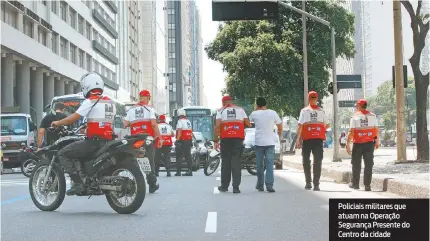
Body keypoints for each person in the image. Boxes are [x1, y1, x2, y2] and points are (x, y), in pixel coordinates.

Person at [53, 72, 116, 196]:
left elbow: (73, 118)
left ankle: (78, 184)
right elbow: (102, 120)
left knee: (63, 153)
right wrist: (87, 127)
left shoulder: (90, 101)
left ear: (86, 86)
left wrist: (58, 122)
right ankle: (90, 180)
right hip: (108, 141)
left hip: (93, 142)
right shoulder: (110, 102)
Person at [123, 90, 162, 193]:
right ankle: (152, 184)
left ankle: (133, 182)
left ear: (140, 98)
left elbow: (125, 124)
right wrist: (159, 137)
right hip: (147, 139)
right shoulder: (150, 109)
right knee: (150, 162)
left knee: (132, 161)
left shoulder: (131, 109)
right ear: (148, 98)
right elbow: (153, 124)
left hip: (134, 139)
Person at [215, 95, 250, 194]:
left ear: (223, 103)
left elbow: (217, 127)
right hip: (238, 140)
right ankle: (236, 188)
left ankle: (224, 186)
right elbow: (248, 123)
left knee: (226, 163)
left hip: (225, 140)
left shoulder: (220, 111)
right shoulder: (240, 110)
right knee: (236, 163)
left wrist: (215, 141)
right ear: (231, 101)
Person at [295, 91, 330, 191]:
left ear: (308, 99)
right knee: (317, 162)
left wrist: (298, 139)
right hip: (318, 140)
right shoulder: (321, 111)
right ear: (317, 99)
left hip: (307, 140)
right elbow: (327, 125)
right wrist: (319, 128)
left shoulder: (304, 111)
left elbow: (300, 125)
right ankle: (316, 185)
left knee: (306, 161)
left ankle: (308, 183)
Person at [249, 97, 282, 193]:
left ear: (257, 105)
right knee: (269, 165)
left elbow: (247, 122)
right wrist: (279, 134)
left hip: (259, 143)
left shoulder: (254, 114)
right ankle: (269, 185)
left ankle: (260, 185)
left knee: (259, 165)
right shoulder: (273, 112)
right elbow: (279, 125)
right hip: (270, 143)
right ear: (265, 104)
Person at [346, 99, 379, 191]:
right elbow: (376, 130)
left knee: (356, 164)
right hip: (369, 144)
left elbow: (351, 132)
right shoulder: (373, 116)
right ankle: (367, 185)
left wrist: (347, 144)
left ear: (359, 106)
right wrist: (377, 141)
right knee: (368, 164)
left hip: (358, 144)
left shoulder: (355, 117)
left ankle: (355, 184)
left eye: (357, 105)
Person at [175, 109, 193, 176]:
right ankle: (190, 170)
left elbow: (179, 130)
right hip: (188, 140)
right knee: (188, 155)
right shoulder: (188, 121)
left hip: (182, 140)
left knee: (179, 156)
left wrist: (177, 140)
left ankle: (178, 172)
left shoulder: (180, 121)